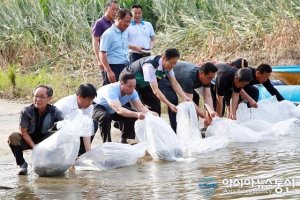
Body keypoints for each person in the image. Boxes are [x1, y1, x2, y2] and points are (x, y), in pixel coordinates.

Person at [122, 48, 191, 131]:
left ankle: (154, 132)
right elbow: (155, 90)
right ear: (164, 58)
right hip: (130, 80)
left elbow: (174, 83)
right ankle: (126, 135)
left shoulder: (168, 67)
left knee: (155, 106)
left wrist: (184, 97)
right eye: (171, 63)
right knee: (139, 107)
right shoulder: (150, 65)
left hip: (145, 83)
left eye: (175, 63)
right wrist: (169, 104)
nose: (173, 66)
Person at [7, 85, 63, 175]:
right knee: (13, 137)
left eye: (42, 97)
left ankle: (52, 163)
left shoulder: (54, 111)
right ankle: (22, 165)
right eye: (36, 96)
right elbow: (23, 132)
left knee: (60, 134)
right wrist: (35, 147)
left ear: (49, 98)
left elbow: (65, 124)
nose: (38, 99)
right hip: (28, 138)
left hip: (44, 140)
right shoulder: (27, 111)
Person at [93, 72, 156, 144]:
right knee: (105, 116)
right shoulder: (111, 90)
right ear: (121, 84)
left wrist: (151, 113)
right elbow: (119, 110)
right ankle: (107, 143)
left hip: (114, 108)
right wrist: (137, 114)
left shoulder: (133, 92)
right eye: (130, 86)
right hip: (98, 106)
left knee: (132, 114)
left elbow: (140, 107)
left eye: (134, 86)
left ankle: (124, 139)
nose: (132, 89)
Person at [54, 83, 98, 156]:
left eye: (92, 100)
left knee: (93, 124)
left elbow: (87, 129)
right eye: (88, 100)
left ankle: (81, 154)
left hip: (74, 130)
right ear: (80, 97)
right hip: (58, 133)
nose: (90, 103)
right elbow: (61, 129)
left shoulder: (89, 106)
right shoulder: (65, 106)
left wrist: (88, 154)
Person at [100, 8, 132, 85]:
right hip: (113, 67)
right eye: (126, 21)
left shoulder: (125, 32)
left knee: (124, 92)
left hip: (126, 66)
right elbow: (102, 53)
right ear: (118, 19)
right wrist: (109, 71)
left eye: (129, 22)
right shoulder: (109, 34)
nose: (128, 24)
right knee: (111, 92)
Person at [92, 0, 119, 83]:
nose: (115, 12)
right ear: (106, 8)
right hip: (105, 59)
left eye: (117, 10)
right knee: (107, 84)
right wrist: (99, 60)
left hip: (115, 59)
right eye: (113, 9)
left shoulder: (115, 23)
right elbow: (95, 42)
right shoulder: (100, 23)